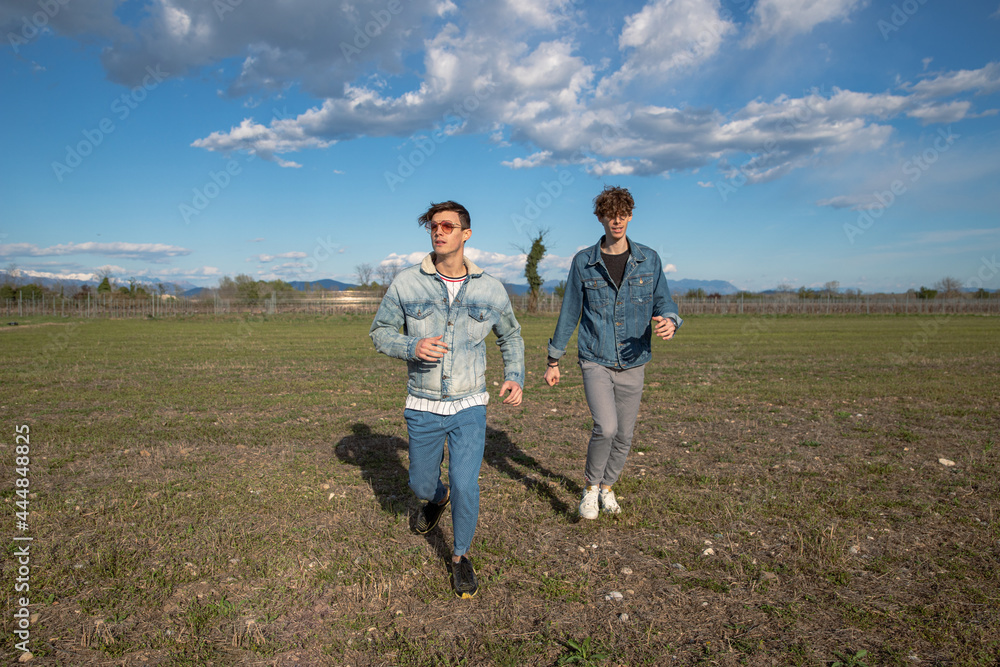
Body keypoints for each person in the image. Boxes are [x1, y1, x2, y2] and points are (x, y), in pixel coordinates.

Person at [370, 200, 525, 598]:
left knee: (466, 483)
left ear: (465, 234)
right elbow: (380, 332)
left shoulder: (490, 288)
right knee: (422, 485)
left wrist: (514, 376)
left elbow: (510, 335)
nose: (439, 232)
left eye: (447, 226)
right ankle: (435, 499)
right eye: (433, 227)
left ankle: (460, 557)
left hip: (470, 404)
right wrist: (412, 345)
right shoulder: (407, 283)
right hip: (422, 403)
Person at [543, 185, 681, 520]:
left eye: (622, 214)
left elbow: (664, 301)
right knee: (605, 427)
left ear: (630, 215)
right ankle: (590, 488)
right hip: (595, 357)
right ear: (600, 218)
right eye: (609, 214)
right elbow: (570, 311)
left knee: (624, 433)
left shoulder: (649, 260)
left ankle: (608, 487)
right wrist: (553, 358)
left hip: (635, 359)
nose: (616, 221)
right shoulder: (583, 263)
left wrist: (671, 321)